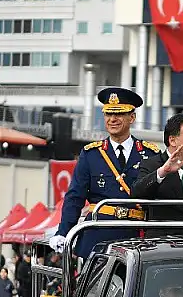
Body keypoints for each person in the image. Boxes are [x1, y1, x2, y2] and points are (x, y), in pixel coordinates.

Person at [51, 88, 163, 258]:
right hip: (98, 234)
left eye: (119, 114)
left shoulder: (150, 153)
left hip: (135, 234)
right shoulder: (91, 154)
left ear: (132, 117)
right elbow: (75, 196)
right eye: (108, 114)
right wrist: (63, 232)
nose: (112, 119)